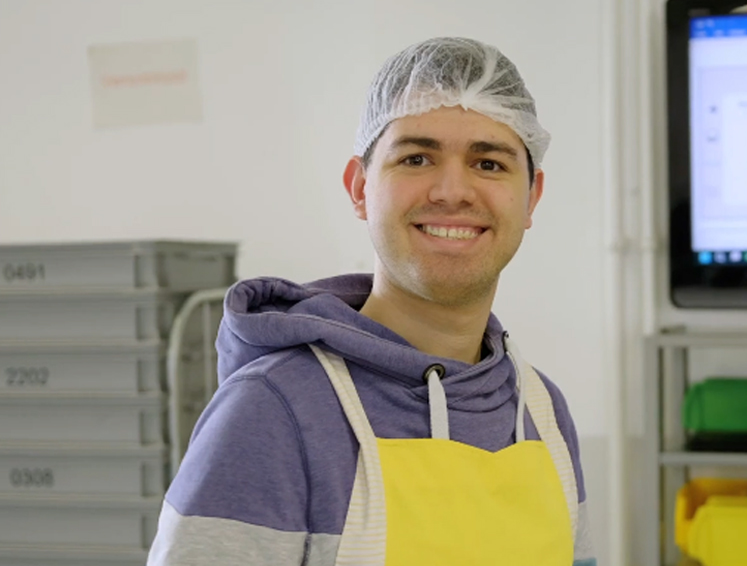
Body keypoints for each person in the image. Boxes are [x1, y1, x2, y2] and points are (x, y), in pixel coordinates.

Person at [147, 37, 597, 566]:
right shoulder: (273, 412)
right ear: (360, 188)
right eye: (417, 157)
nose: (453, 191)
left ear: (531, 198)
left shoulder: (541, 409)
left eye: (490, 164)